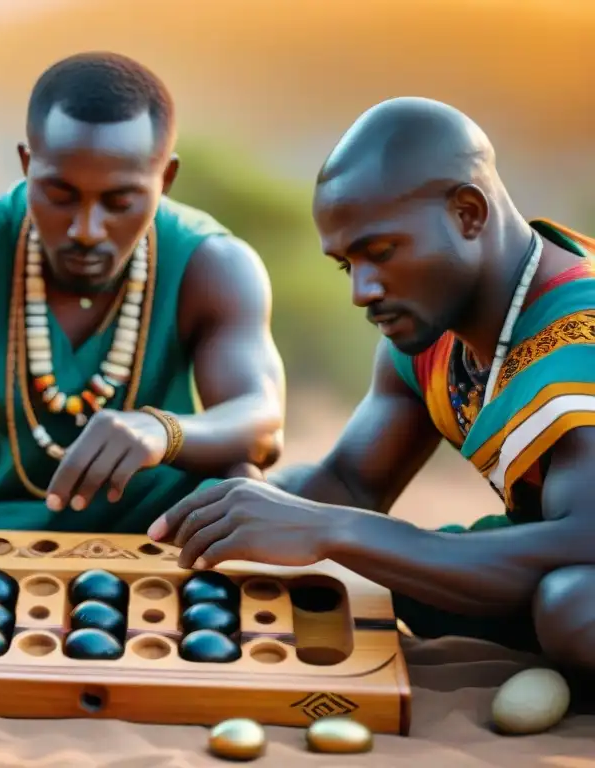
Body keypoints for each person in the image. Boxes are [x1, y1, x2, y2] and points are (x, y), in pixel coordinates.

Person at [150, 96, 595, 677]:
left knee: (574, 609)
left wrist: (329, 530)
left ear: (468, 214)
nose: (362, 290)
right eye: (345, 265)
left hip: (577, 561)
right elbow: (349, 484)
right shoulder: (432, 330)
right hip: (549, 554)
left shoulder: (577, 335)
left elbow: (584, 539)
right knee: (385, 573)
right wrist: (229, 506)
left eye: (380, 253)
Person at [0, 52, 286, 551]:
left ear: (165, 179)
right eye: (60, 194)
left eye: (119, 202)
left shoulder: (213, 264)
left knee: (245, 484)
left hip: (170, 543)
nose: (86, 231)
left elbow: (261, 421)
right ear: (27, 165)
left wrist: (163, 431)